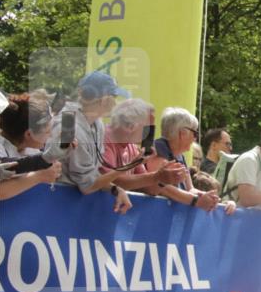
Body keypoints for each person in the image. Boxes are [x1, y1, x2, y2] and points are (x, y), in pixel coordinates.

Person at [44, 72, 132, 214]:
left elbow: (92, 174)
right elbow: (87, 186)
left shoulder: (97, 123)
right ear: (103, 100)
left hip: (70, 205)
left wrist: (115, 189)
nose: (116, 103)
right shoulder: (69, 125)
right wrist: (129, 166)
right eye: (114, 97)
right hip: (56, 205)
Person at [143, 107, 221, 211]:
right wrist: (196, 200)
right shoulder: (157, 150)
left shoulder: (180, 155)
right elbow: (161, 187)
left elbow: (190, 189)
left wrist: (208, 197)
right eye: (195, 133)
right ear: (182, 133)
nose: (195, 138)